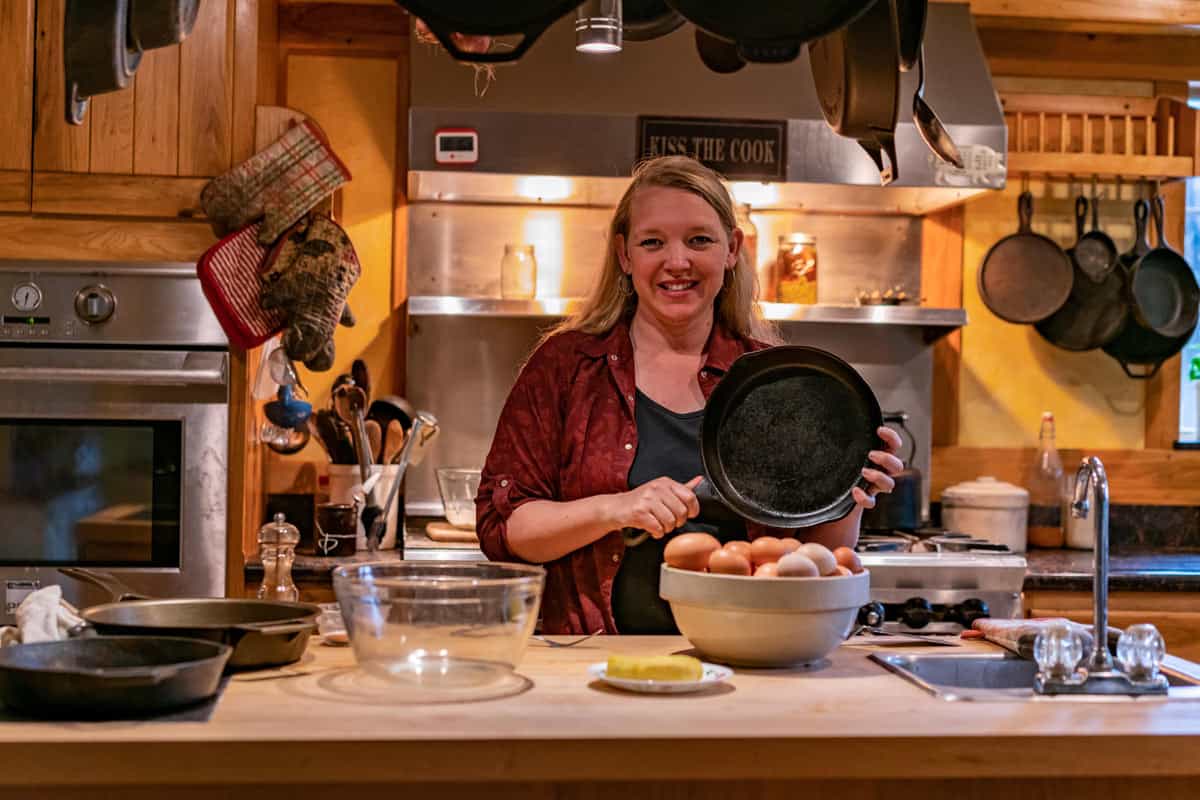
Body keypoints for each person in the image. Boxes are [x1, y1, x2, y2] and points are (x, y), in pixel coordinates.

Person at [476, 155, 903, 636]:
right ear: (624, 255)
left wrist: (848, 494)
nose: (676, 261)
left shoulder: (777, 385)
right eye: (652, 242)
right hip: (590, 661)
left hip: (748, 657)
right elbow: (503, 531)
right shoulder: (566, 367)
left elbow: (809, 556)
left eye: (699, 240)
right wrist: (615, 508)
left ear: (732, 249)